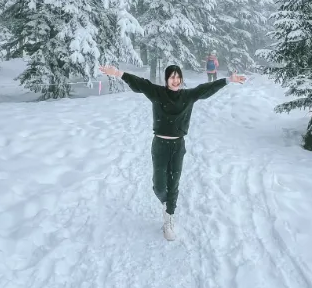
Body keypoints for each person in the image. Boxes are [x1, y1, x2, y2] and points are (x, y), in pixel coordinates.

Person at [99, 63, 246, 241]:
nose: (175, 81)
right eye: (172, 77)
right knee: (160, 185)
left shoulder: (188, 95)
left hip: (178, 145)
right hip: (160, 144)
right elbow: (139, 83)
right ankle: (166, 201)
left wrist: (228, 80)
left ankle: (169, 219)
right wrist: (117, 73)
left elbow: (206, 88)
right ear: (167, 79)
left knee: (174, 182)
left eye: (178, 77)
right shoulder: (157, 93)